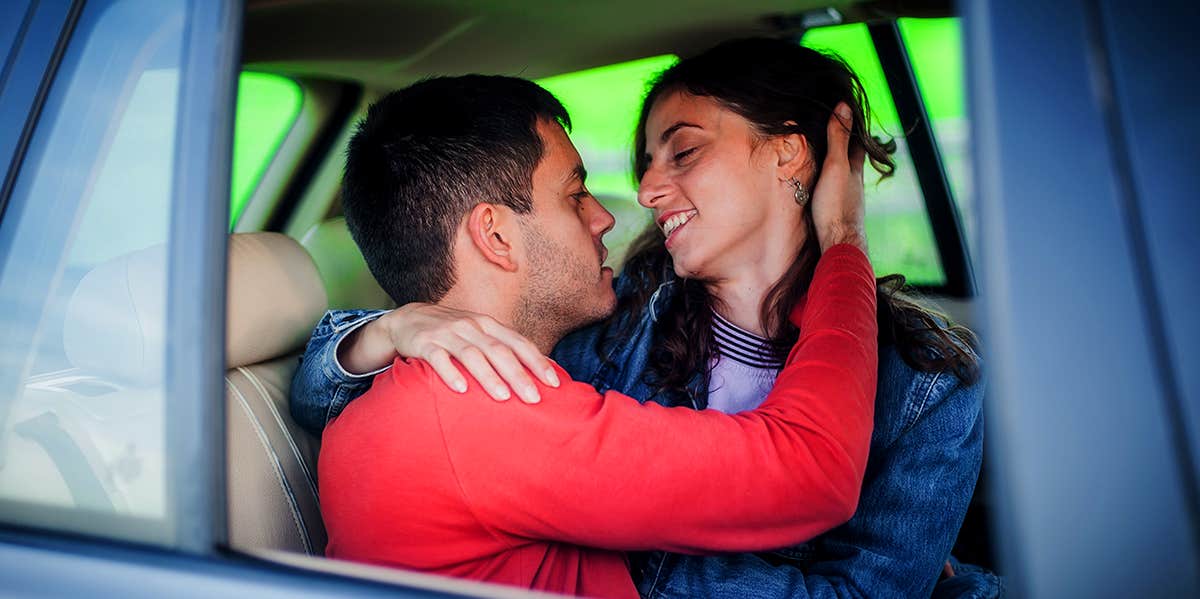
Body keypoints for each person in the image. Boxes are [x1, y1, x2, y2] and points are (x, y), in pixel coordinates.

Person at [295, 39, 1000, 598]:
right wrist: (846, 241)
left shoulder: (929, 379)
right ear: (497, 235)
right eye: (577, 195)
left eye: (684, 152)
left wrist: (382, 333)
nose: (630, 198)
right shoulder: (600, 330)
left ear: (789, 152)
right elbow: (809, 471)